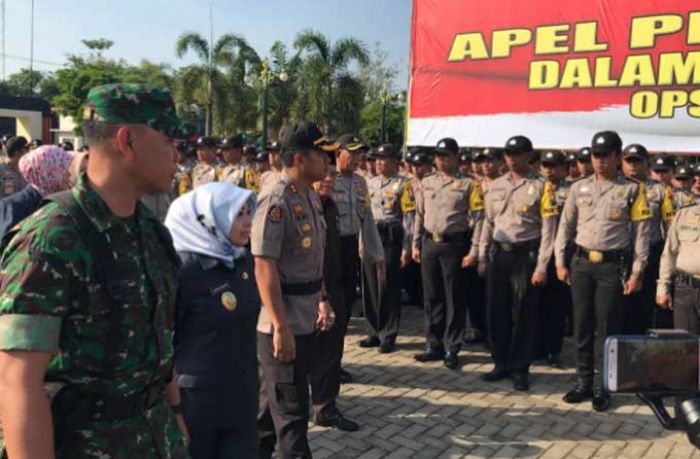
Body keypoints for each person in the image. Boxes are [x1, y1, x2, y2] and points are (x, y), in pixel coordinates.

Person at [0, 83, 189, 457]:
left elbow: (160, 345)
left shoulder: (152, 234)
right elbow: (18, 383)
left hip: (156, 439)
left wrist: (177, 414)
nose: (177, 154)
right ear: (127, 141)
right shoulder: (53, 239)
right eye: (169, 139)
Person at [253, 121, 334, 458]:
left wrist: (323, 298)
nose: (328, 161)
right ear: (301, 158)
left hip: (305, 315)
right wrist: (280, 327)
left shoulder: (308, 194)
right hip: (282, 321)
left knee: (268, 411)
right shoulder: (276, 197)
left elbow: (314, 256)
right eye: (322, 154)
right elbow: (263, 264)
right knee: (292, 414)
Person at [555, 130, 651, 412]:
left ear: (617, 157)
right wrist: (560, 261)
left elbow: (641, 235)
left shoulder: (633, 190)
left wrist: (637, 272)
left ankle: (603, 387)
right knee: (582, 324)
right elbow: (566, 227)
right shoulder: (578, 188)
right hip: (582, 264)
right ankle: (583, 382)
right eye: (595, 155)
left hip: (612, 267)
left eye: (605, 155)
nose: (599, 161)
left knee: (607, 329)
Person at [165, 182, 259, 458]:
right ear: (211, 219)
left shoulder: (242, 261)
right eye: (238, 215)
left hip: (241, 392)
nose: (247, 223)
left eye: (248, 213)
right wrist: (175, 410)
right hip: (198, 401)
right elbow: (166, 341)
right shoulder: (184, 269)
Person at [478, 136, 558, 391]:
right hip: (499, 254)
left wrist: (542, 266)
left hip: (527, 256)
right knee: (496, 310)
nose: (512, 158)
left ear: (528, 156)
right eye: (509, 153)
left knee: (524, 313)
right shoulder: (495, 185)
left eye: (518, 153)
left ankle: (520, 367)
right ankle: (500, 362)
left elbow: (549, 230)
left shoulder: (543, 187)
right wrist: (481, 255)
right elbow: (487, 223)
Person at [413, 137, 484, 369]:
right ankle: (433, 344)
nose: (441, 161)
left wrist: (474, 250)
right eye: (438, 156)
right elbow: (419, 215)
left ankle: (452, 347)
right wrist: (415, 243)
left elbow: (479, 219)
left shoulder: (469, 184)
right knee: (431, 296)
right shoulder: (427, 182)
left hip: (455, 246)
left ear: (456, 156)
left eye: (446, 156)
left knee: (454, 297)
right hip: (429, 244)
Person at [309, 160, 359, 432]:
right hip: (313, 292)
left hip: (333, 287)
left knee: (331, 351)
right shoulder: (302, 205)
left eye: (332, 174)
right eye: (323, 173)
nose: (329, 179)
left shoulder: (329, 206)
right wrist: (322, 296)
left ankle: (325, 408)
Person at [330, 134, 384, 381]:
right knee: (328, 307)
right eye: (351, 153)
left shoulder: (361, 183)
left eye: (359, 154)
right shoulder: (326, 179)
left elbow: (368, 220)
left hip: (350, 248)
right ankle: (320, 362)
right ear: (338, 152)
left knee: (345, 307)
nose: (357, 158)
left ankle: (335, 361)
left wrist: (376, 255)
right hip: (329, 248)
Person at [362, 144, 415, 353]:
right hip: (370, 235)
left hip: (391, 236)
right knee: (370, 285)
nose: (380, 163)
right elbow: (363, 215)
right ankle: (373, 331)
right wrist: (361, 242)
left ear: (395, 161)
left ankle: (389, 334)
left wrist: (406, 248)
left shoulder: (404, 184)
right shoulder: (369, 183)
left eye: (384, 159)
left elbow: (408, 219)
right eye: (377, 159)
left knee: (390, 287)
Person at [621, 144, 674, 333]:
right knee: (617, 306)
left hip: (651, 252)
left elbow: (670, 227)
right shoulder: (615, 185)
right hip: (619, 252)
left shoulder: (661, 190)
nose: (633, 165)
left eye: (638, 161)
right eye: (629, 161)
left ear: (647, 164)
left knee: (643, 305)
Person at [533, 150, 571, 367]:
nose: (549, 170)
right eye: (545, 165)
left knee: (556, 306)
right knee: (535, 303)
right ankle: (535, 347)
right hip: (537, 252)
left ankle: (553, 350)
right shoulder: (536, 188)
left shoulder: (572, 191)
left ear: (564, 169)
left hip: (562, 255)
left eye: (554, 165)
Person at [0, 145, 74, 240]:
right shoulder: (13, 207)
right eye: (63, 168)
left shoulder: (59, 202)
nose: (69, 174)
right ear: (49, 172)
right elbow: (6, 249)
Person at [657, 198, 700, 333]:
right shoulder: (685, 213)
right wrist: (663, 287)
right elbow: (670, 253)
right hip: (685, 289)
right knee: (685, 345)